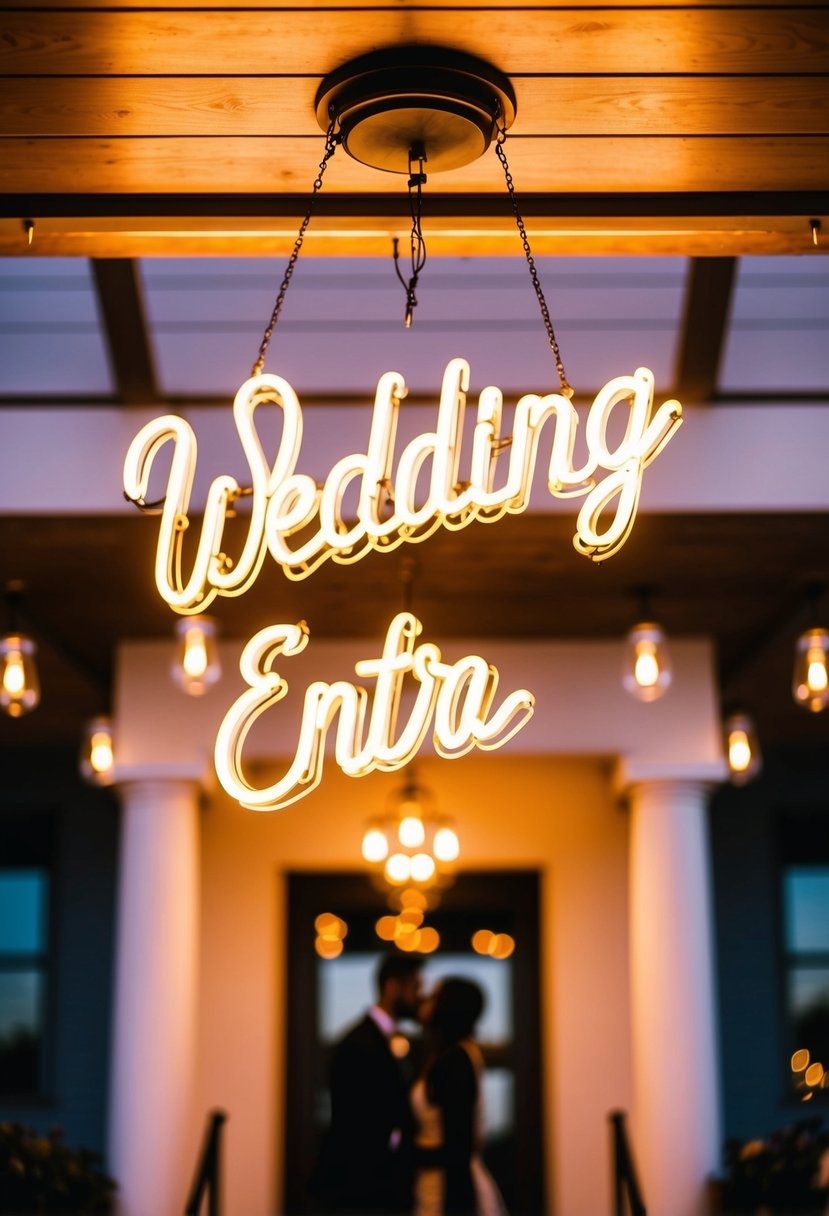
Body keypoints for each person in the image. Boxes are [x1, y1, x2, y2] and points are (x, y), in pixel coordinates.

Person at [314, 953, 424, 1213]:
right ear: (392, 986)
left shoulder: (394, 1040)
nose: (418, 998)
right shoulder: (357, 1044)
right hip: (362, 1188)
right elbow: (355, 1121)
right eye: (415, 988)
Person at [411, 978, 508, 1216]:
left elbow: (458, 1149)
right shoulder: (453, 1055)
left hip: (449, 1192)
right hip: (437, 1185)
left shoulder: (455, 1060)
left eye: (434, 996)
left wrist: (409, 1154)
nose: (425, 1001)